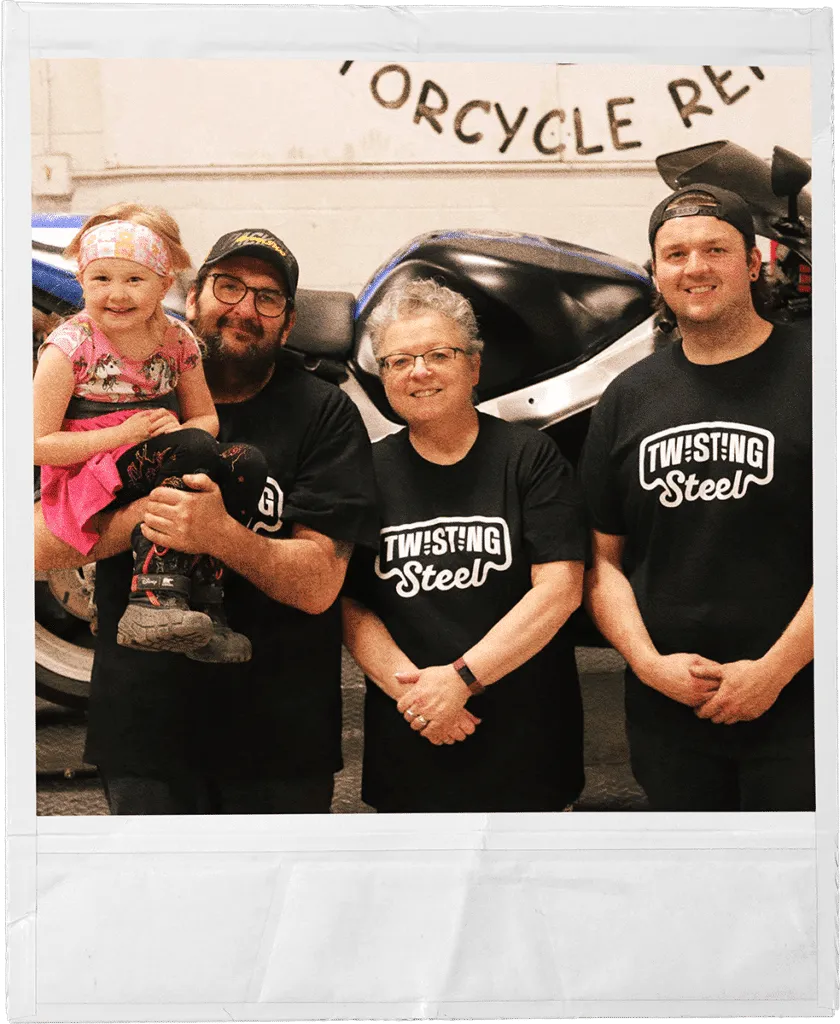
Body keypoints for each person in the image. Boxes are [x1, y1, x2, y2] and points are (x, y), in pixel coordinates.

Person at [34, 227, 379, 814]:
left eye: (267, 298)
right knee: (157, 903)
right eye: (227, 286)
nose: (244, 308)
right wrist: (149, 515)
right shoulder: (118, 388)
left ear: (288, 324)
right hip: (146, 731)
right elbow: (33, 549)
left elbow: (320, 584)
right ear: (191, 299)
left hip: (278, 739)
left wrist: (220, 534)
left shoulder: (325, 413)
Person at [580, 184, 814, 812]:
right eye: (676, 254)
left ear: (754, 262)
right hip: (670, 712)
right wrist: (650, 665)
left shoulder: (820, 373)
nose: (696, 267)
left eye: (716, 249)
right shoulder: (627, 397)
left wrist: (773, 672)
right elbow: (601, 561)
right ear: (656, 273)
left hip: (803, 702)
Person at [342, 279, 586, 813]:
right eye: (398, 361)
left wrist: (461, 680)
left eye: (438, 354)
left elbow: (561, 588)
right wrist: (421, 699)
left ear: (474, 366)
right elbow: (352, 604)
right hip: (412, 743)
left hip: (528, 750)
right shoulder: (367, 471)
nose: (419, 372)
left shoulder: (531, 457)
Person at [33, 205, 263, 662]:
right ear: (80, 281)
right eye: (101, 279)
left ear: (163, 284)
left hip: (145, 457)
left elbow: (205, 420)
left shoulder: (178, 341)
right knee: (194, 452)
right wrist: (124, 434)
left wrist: (176, 432)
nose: (117, 294)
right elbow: (37, 445)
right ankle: (151, 600)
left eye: (134, 280)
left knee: (245, 462)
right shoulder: (69, 348)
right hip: (84, 474)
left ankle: (203, 604)